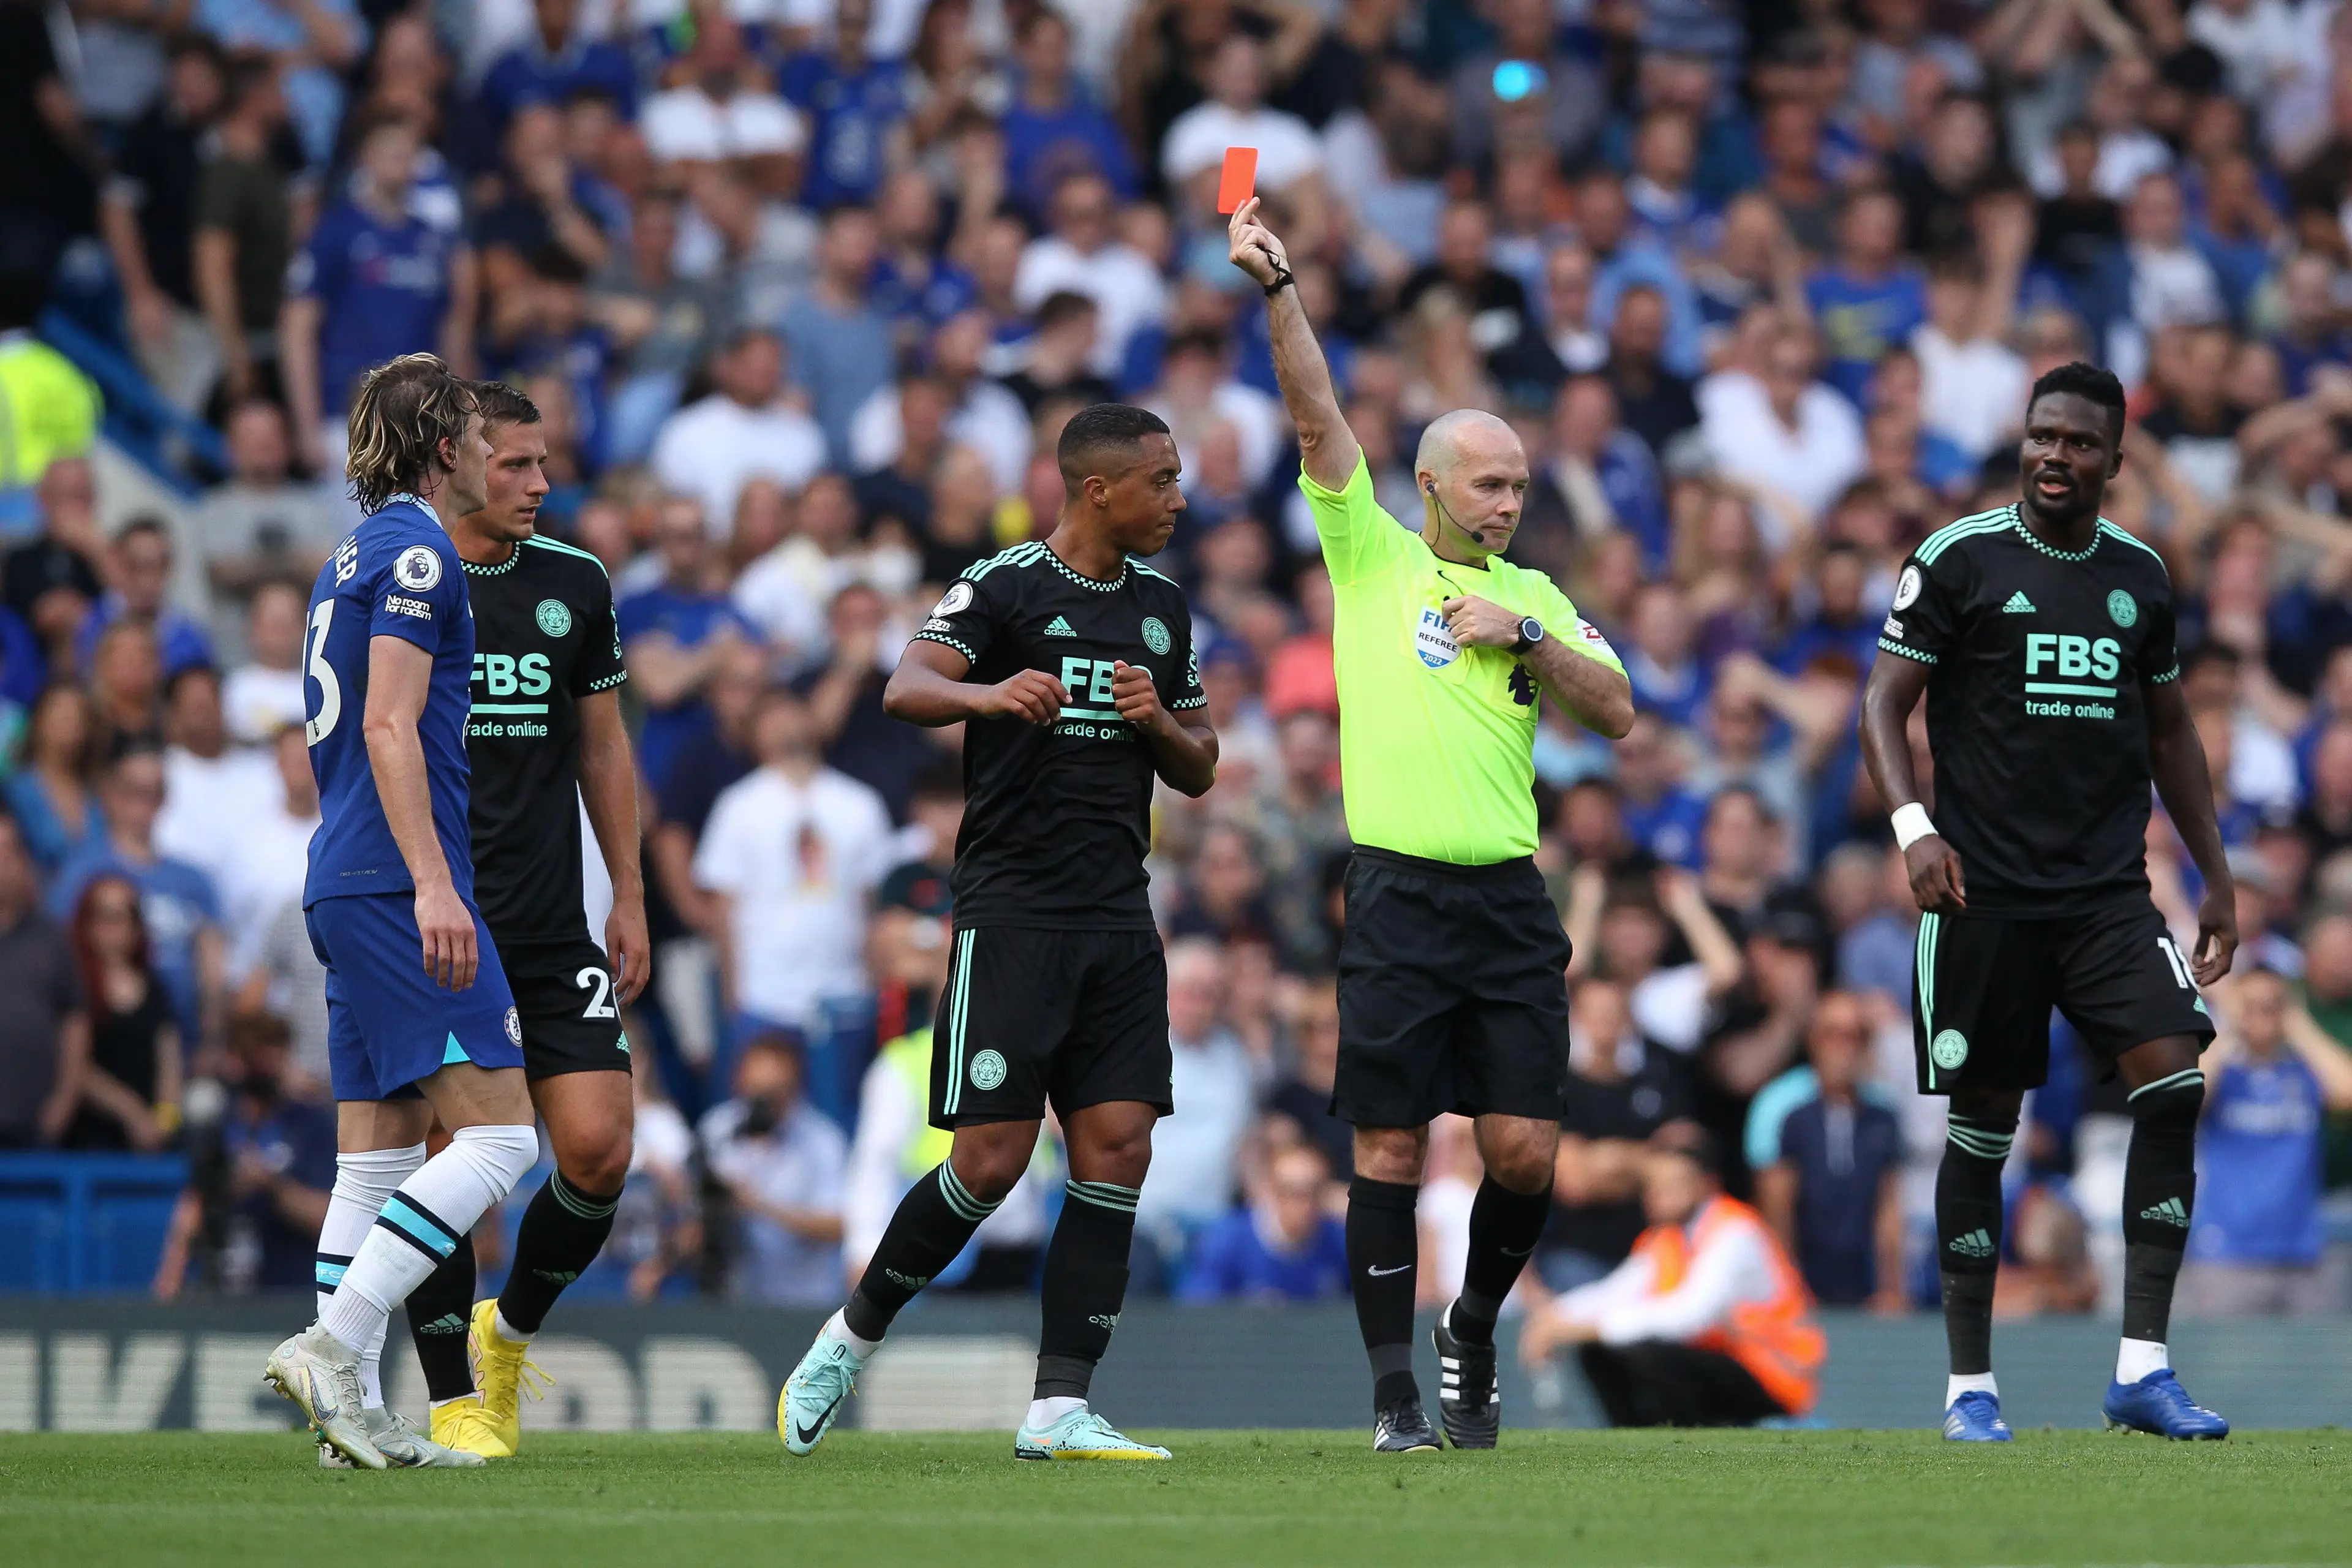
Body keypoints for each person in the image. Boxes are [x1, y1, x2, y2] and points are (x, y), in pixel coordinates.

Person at [1232, 196, 1633, 1453]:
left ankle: (1473, 1328)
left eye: (1519, 483)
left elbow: (1619, 708)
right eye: (1490, 481)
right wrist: (1280, 290)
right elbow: (1316, 416)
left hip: (1510, 898)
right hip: (1400, 891)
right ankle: (1395, 1394)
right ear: (1430, 484)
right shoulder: (1375, 557)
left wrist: (1528, 633)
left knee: (1522, 1150)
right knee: (1392, 1144)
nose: (1509, 502)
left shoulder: (1537, 596)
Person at [777, 404, 1216, 1463]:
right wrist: (989, 692)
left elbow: (1201, 762)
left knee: (1118, 1149)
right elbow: (904, 686)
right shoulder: (1006, 582)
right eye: (1160, 480)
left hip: (1118, 915)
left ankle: (1060, 1406)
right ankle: (850, 1336)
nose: (1178, 498)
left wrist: (1158, 720)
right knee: (988, 1163)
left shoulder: (1162, 605)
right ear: (1097, 489)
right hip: (1012, 914)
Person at [1860, 361, 2237, 1442]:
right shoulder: (1958, 559)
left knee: (2174, 1081)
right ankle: (1970, 1390)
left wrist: (2216, 873)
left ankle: (2143, 1369)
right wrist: (1913, 827)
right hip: (1982, 893)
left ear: (2116, 461)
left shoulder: (2141, 578)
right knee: (1984, 1131)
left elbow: (2171, 733)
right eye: (2041, 437)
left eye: (2078, 443)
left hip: (2108, 895)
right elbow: (1883, 705)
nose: (2054, 457)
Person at [265, 355, 538, 1471]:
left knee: (372, 1162)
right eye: (479, 438)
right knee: (503, 1134)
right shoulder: (423, 550)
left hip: (343, 871)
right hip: (390, 878)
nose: (493, 457)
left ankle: (351, 1426)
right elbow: (388, 726)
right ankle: (334, 1348)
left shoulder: (351, 552)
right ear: (442, 448)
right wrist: (434, 880)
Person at [393, 382, 649, 1460]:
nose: (540, 485)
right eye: (515, 467)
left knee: (598, 1151)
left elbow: (602, 746)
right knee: (456, 1155)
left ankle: (511, 1331)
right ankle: (454, 1401)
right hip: (447, 926)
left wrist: (629, 890)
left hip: (550, 923)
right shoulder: (408, 580)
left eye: (545, 465)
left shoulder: (574, 582)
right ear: (455, 462)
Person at [1518, 1129, 1825, 1428]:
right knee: (1599, 1351)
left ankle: (1688, 1441)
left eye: (1674, 1185)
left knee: (1646, 1352)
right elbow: (1617, 1292)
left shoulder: (1735, 1232)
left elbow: (1689, 1315)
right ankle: (1634, 1443)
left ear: (1707, 1185)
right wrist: (1552, 1319)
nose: (1660, 1196)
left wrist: (1584, 1328)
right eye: (1654, 1186)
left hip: (1775, 1375)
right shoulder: (1667, 1238)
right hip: (1722, 1363)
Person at [2178, 967, 2352, 1315]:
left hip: (2299, 1253)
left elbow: (2346, 1093)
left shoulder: (2304, 1072)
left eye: (2274, 1005)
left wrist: (2299, 1025)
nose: (2263, 1015)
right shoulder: (2226, 1073)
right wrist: (2228, 1027)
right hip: (2227, 1253)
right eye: (2252, 1006)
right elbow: (2186, 1098)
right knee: (2223, 1367)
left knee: (2303, 1368)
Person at [62, 872, 182, 1152]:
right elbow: (73, 1064)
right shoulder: (74, 987)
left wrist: (164, 1123)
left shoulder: (155, 990)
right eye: (106, 917)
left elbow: (170, 1066)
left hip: (147, 1146)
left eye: (126, 916)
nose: (116, 929)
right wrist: (131, 1112)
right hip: (87, 1142)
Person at [1178, 1141, 1351, 1302]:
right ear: (1273, 1192)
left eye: (1315, 1192)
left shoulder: (1340, 1243)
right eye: (1295, 1193)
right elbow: (1199, 1309)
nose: (1306, 1205)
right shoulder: (1228, 1241)